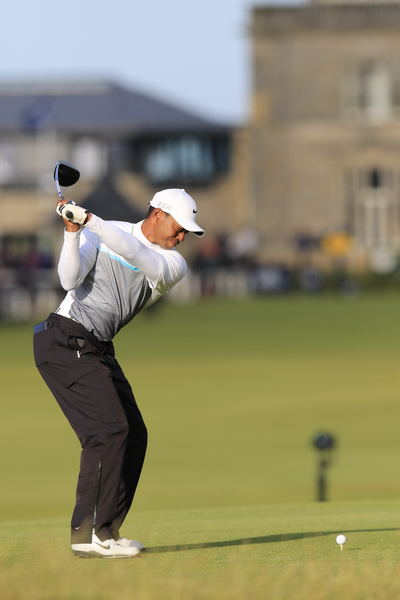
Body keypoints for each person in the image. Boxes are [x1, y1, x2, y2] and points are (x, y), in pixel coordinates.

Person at [33, 188, 204, 558]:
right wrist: (73, 233)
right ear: (157, 214)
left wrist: (91, 221)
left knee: (134, 433)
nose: (182, 236)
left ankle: (106, 529)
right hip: (64, 339)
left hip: (94, 346)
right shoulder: (103, 231)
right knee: (108, 431)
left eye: (187, 232)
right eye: (179, 226)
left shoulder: (173, 265)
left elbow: (136, 252)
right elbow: (68, 279)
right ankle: (88, 535)